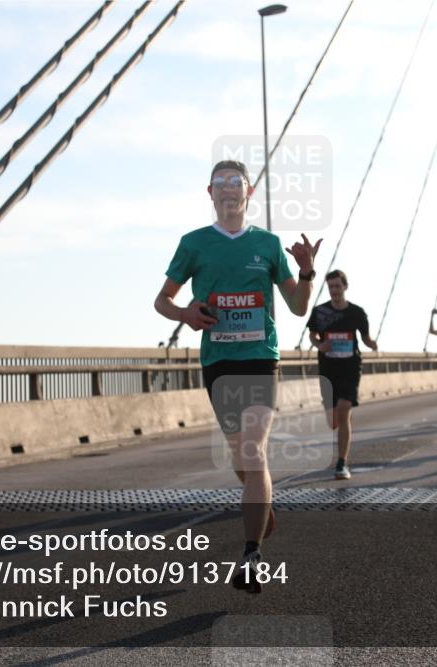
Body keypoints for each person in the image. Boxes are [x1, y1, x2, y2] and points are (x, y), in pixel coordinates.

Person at [154, 159, 321, 593]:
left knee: (254, 450)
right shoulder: (194, 244)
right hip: (218, 364)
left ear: (249, 193)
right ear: (210, 193)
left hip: (260, 359)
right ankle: (261, 509)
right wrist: (185, 313)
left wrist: (305, 272)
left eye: (237, 183)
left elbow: (299, 307)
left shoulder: (268, 244)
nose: (229, 189)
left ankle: (251, 554)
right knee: (240, 459)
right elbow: (162, 301)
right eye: (220, 183)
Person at [308, 270, 378, 480]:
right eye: (331, 287)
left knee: (344, 408)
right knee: (333, 421)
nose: (334, 291)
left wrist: (372, 344)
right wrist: (320, 344)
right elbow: (312, 335)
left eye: (338, 286)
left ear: (345, 287)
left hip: (350, 367)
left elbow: (365, 338)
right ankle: (338, 423)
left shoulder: (357, 312)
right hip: (328, 368)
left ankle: (341, 463)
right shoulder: (320, 312)